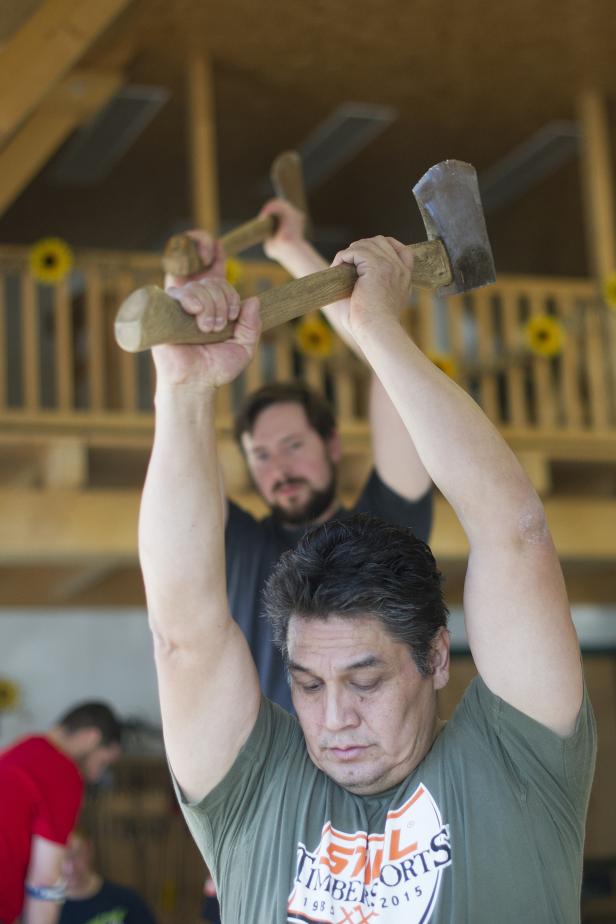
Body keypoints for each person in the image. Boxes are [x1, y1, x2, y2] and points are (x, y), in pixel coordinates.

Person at [141, 235, 596, 922]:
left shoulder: (514, 763)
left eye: (366, 680)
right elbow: (184, 636)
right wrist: (182, 389)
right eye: (306, 684)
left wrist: (376, 325)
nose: (333, 719)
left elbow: (515, 537)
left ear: (436, 655)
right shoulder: (255, 791)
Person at [164, 202, 432, 710]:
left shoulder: (389, 523)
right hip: (272, 784)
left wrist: (293, 250)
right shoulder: (239, 542)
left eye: (293, 446)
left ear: (331, 444)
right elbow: (180, 457)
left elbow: (392, 371)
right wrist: (181, 319)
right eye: (261, 455)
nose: (279, 469)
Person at [0, 702, 122, 924]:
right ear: (91, 737)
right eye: (102, 762)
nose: (95, 776)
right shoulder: (62, 771)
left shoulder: (22, 749)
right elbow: (44, 882)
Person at [58, 829, 157, 924]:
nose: (70, 868)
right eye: (63, 857)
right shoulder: (47, 910)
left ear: (89, 849)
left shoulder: (126, 900)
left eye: (77, 854)